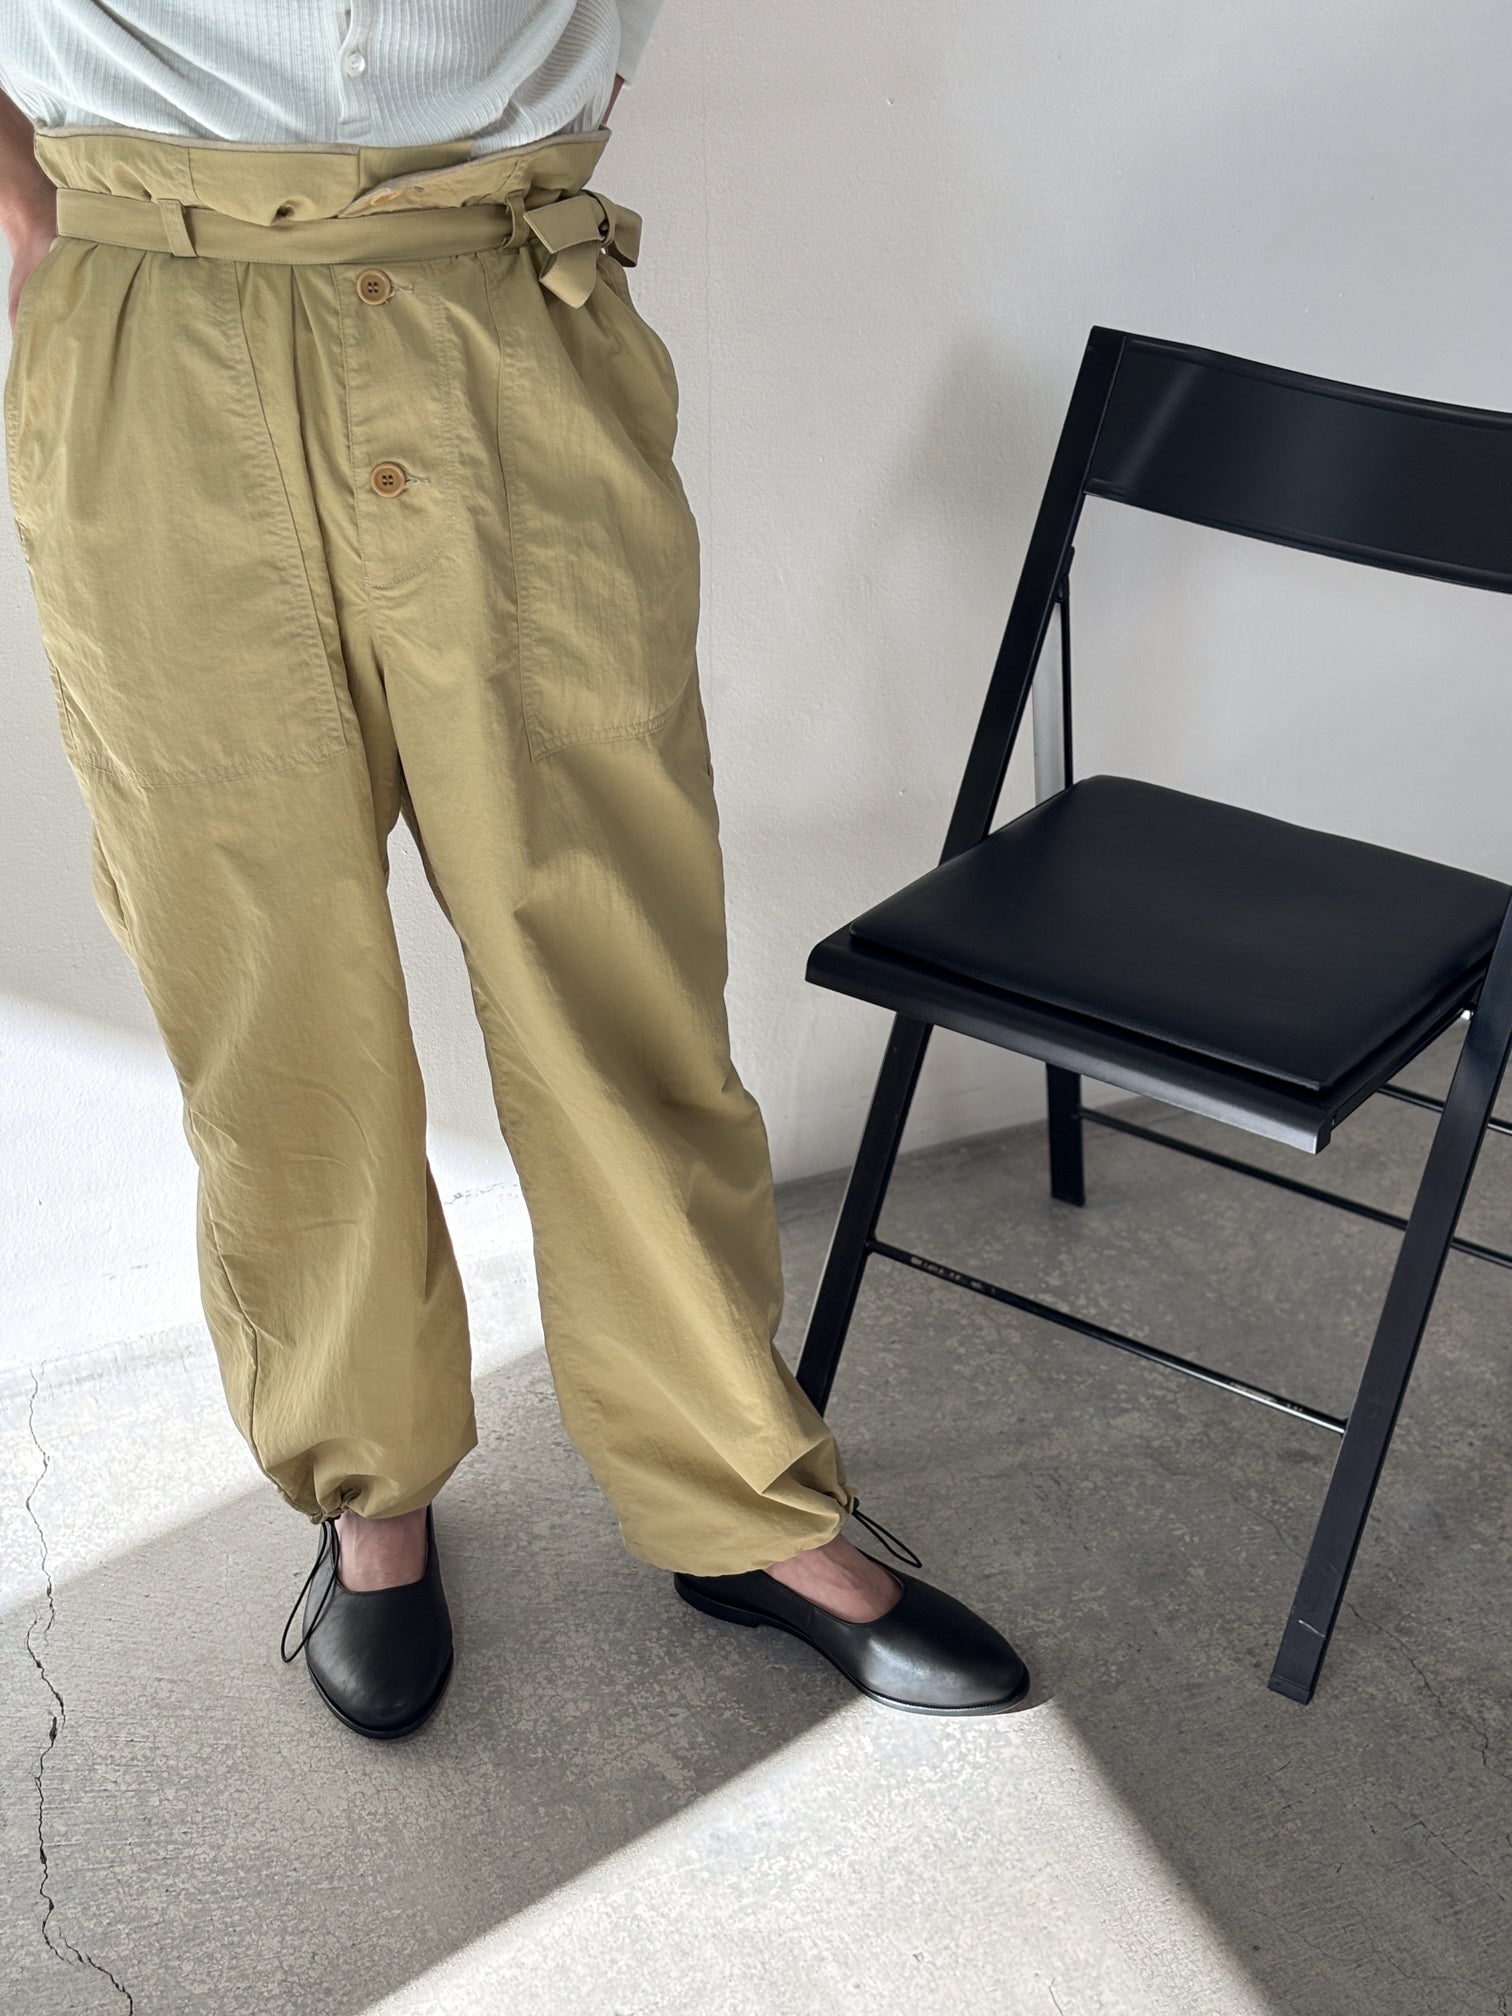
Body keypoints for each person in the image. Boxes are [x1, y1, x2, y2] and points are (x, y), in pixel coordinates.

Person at [0, 4, 1029, 1738]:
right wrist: (43, 224)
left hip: (504, 299)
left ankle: (741, 1504)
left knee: (614, 963)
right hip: (151, 329)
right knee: (265, 991)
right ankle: (369, 1494)